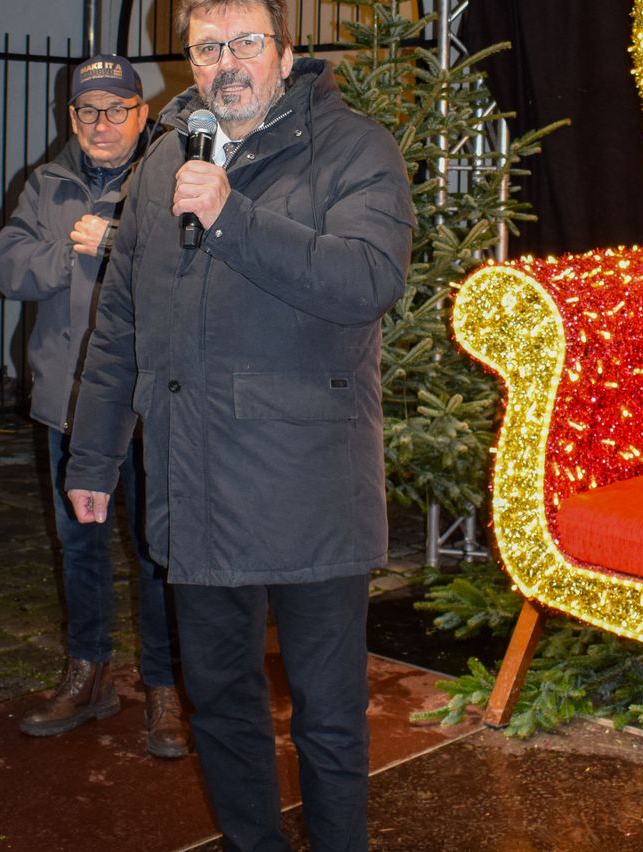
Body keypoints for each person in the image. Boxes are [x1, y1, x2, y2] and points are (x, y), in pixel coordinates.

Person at [63, 0, 414, 848]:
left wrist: (231, 216)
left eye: (246, 44)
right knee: (220, 704)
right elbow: (119, 322)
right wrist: (94, 458)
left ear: (285, 57)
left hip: (312, 487)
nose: (228, 63)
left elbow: (369, 279)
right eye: (208, 47)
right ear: (190, 61)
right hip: (198, 480)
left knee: (328, 719)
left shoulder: (355, 149)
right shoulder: (162, 163)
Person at [0, 54, 190, 760]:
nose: (102, 125)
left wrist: (117, 248)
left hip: (147, 401)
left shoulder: (171, 178)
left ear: (141, 114)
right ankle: (90, 670)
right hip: (69, 402)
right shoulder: (45, 184)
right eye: (88, 112)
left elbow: (197, 271)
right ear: (71, 118)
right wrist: (69, 255)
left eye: (117, 110)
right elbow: (6, 267)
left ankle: (166, 687)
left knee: (156, 550)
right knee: (80, 549)